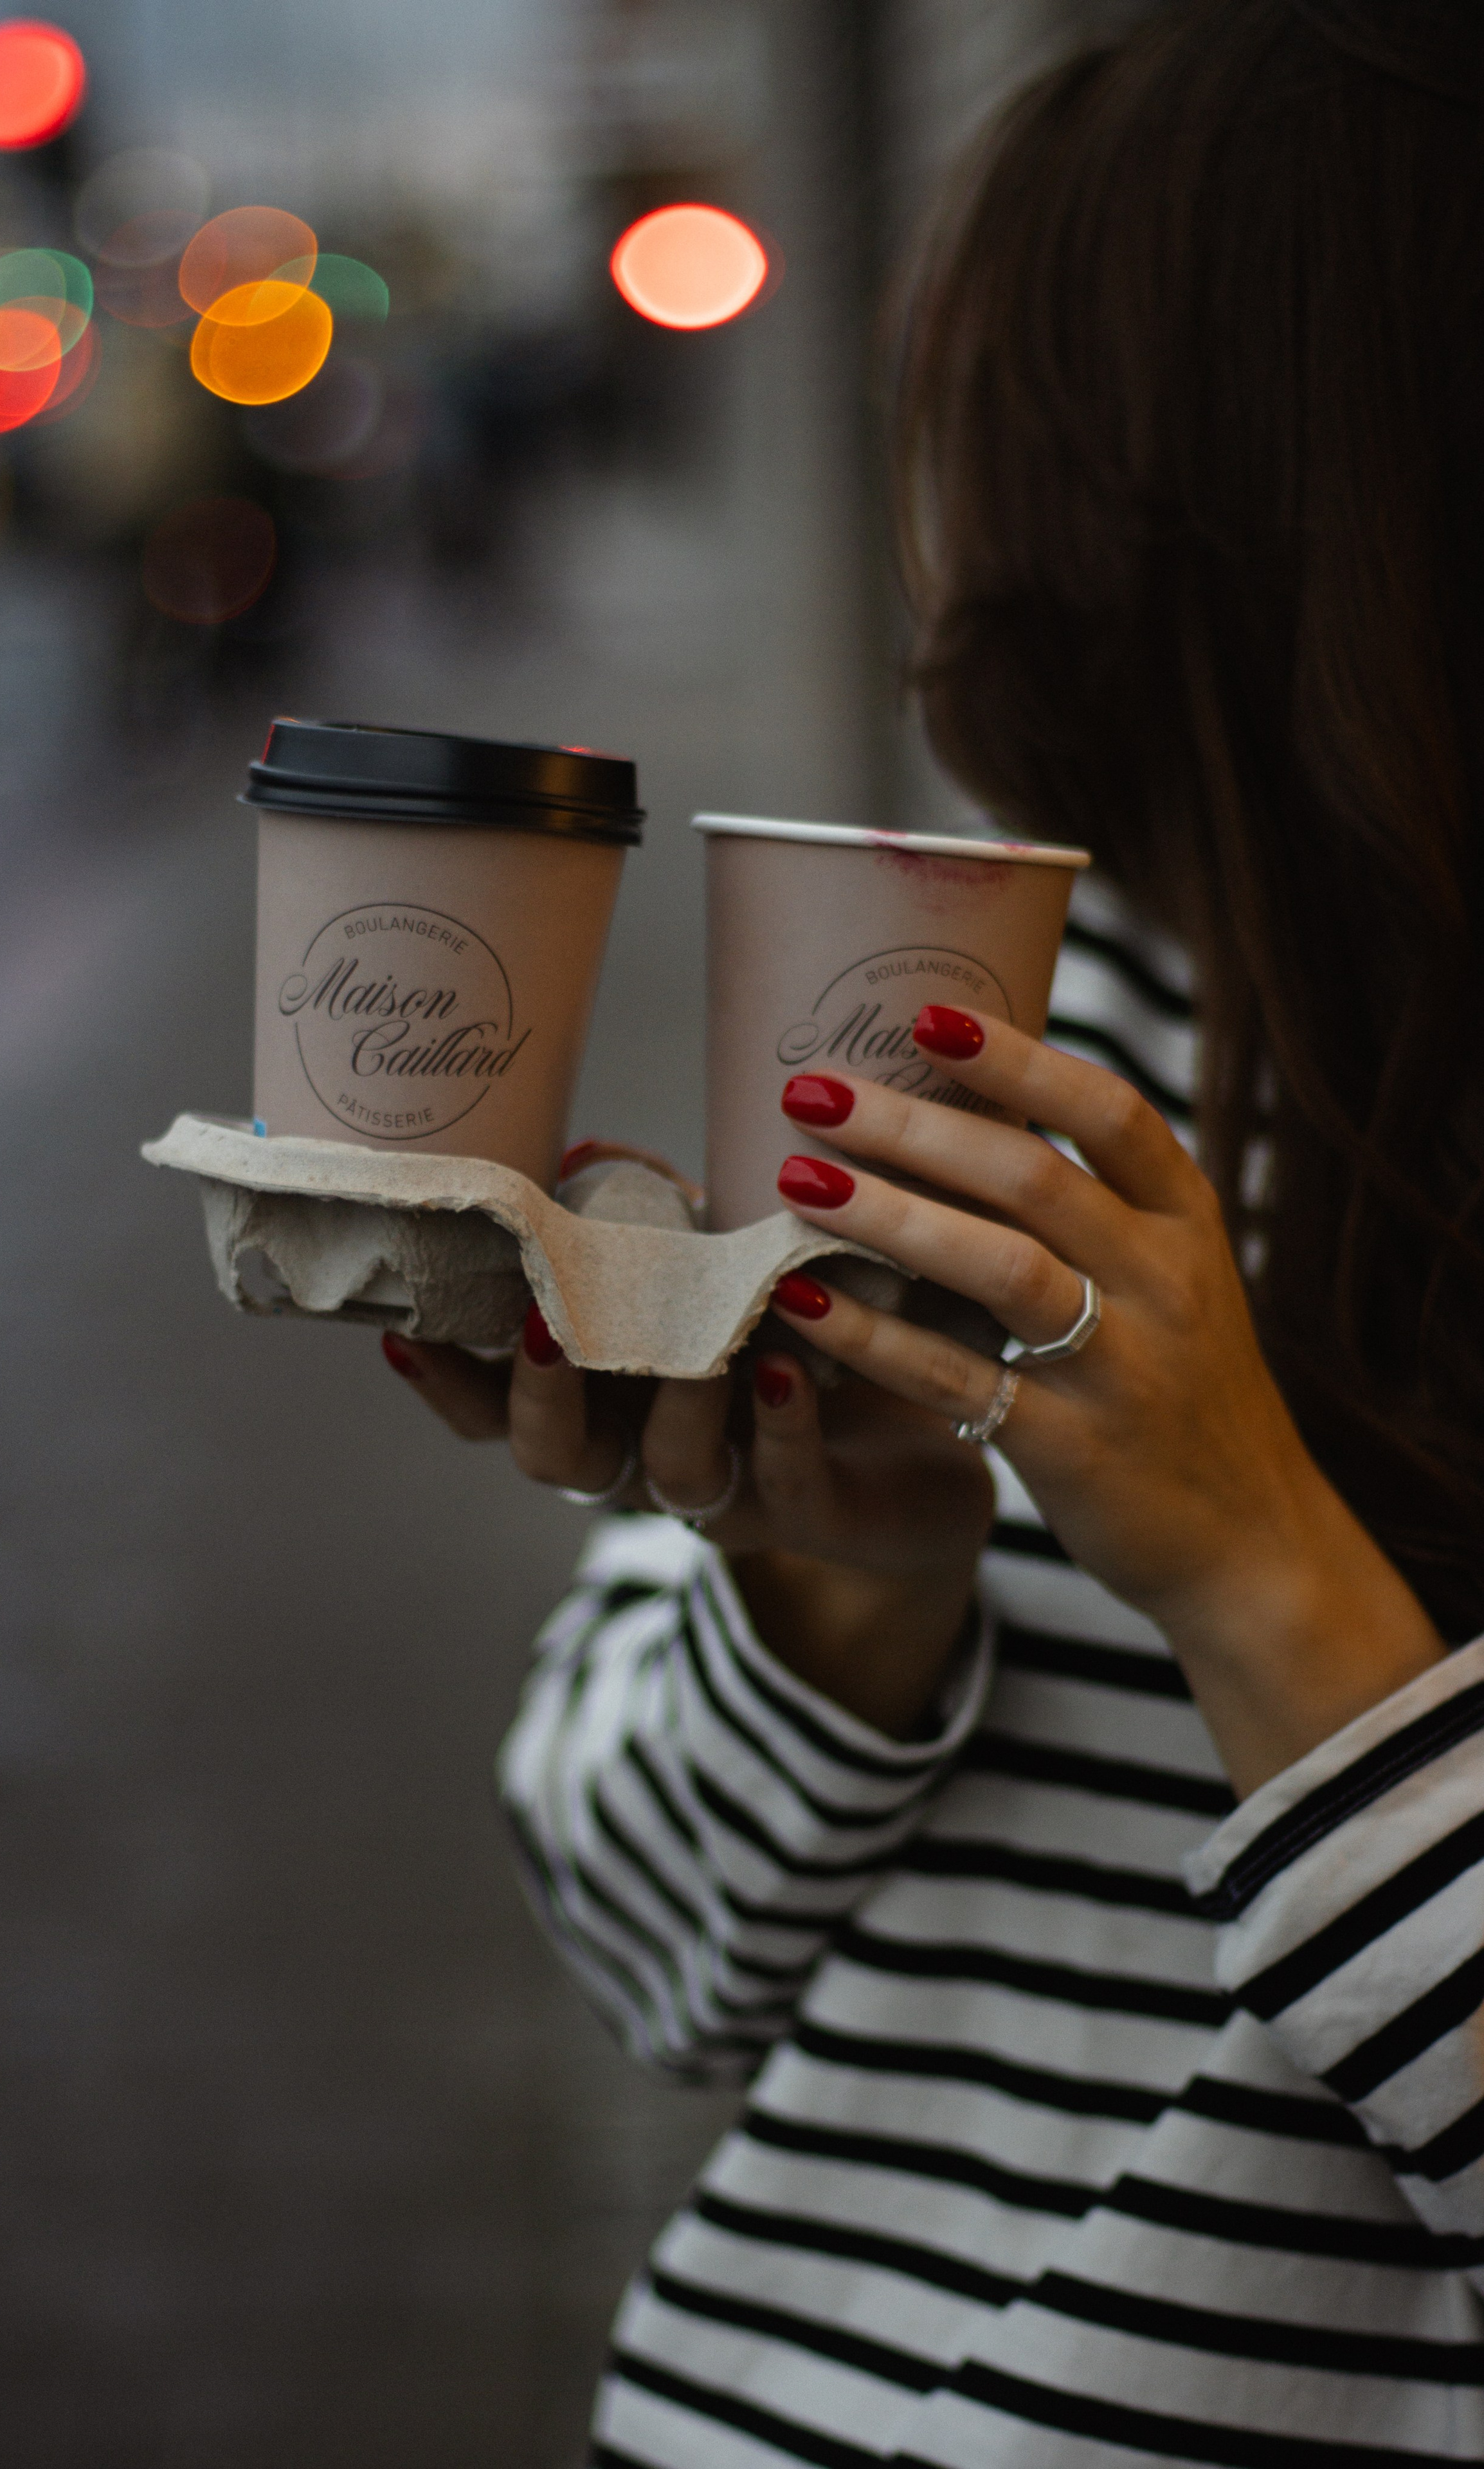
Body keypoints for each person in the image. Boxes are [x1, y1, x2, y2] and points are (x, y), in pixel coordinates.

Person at [381, 3, 1484, 2459]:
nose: (958, 562)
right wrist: (846, 1589)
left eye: (999, 445)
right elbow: (649, 1944)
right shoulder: (1015, 1038)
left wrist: (1266, 1583)